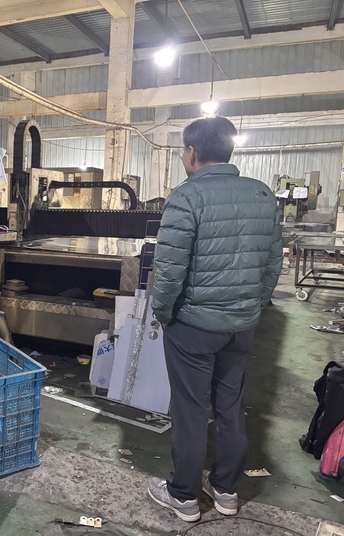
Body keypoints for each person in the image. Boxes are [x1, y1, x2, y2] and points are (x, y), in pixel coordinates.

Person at [147, 116, 282, 522]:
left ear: (191, 152)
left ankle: (184, 496)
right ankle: (226, 491)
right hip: (241, 325)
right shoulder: (262, 194)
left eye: (182, 150)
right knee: (230, 405)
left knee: (190, 410)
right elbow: (273, 264)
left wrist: (163, 313)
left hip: (193, 324)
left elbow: (169, 268)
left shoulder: (186, 196)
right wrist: (253, 306)